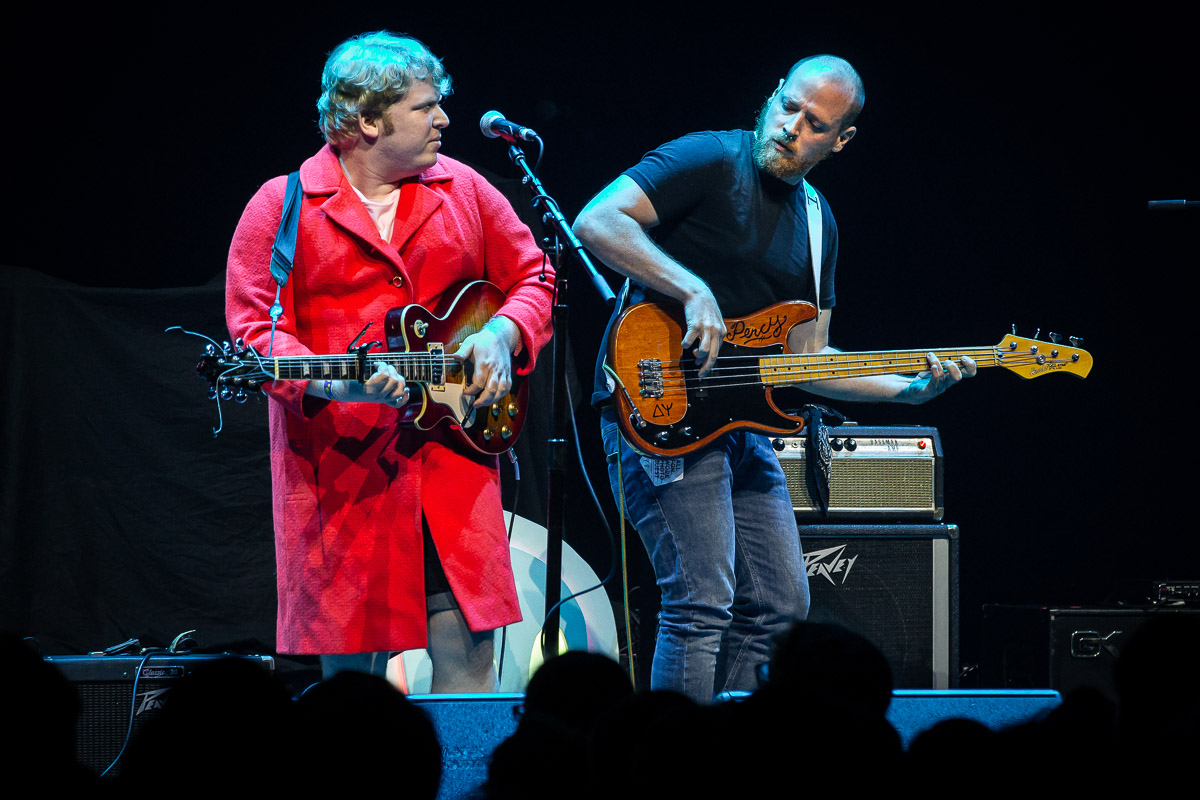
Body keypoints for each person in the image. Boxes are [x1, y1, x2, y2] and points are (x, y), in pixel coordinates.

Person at [573, 55, 974, 703]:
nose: (790, 126)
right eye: (786, 106)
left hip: (740, 425)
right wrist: (689, 288)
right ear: (770, 98)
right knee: (701, 600)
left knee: (782, 603)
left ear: (840, 140)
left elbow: (811, 361)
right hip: (656, 404)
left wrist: (909, 390)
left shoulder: (819, 223)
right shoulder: (706, 157)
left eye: (814, 123)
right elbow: (597, 221)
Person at [226, 32, 554, 691]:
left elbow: (536, 277)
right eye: (425, 107)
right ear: (367, 121)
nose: (444, 120)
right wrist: (336, 386)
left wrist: (503, 335)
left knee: (466, 653)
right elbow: (254, 332)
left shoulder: (463, 187)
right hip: (342, 479)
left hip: (453, 463)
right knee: (353, 685)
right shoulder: (282, 204)